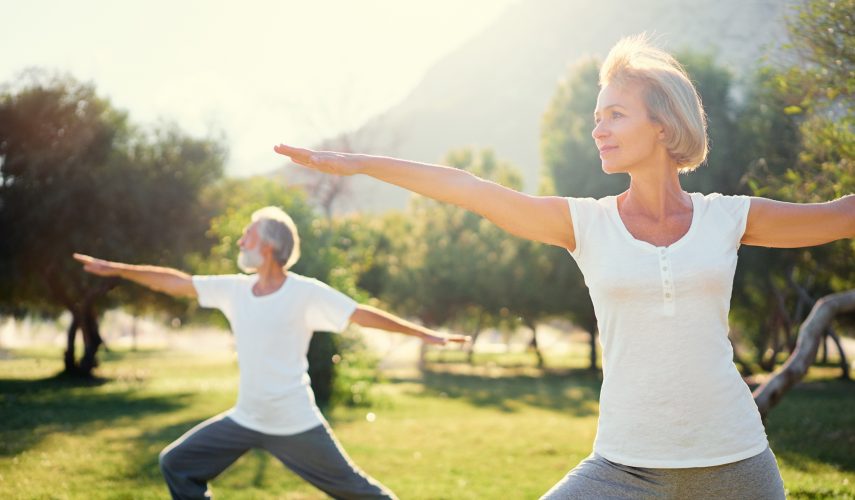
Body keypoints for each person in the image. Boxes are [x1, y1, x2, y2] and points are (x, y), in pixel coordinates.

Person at [273, 34, 854, 499]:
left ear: (663, 123)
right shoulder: (586, 224)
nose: (597, 128)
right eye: (596, 116)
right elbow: (467, 190)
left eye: (616, 114)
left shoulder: (727, 218)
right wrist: (358, 162)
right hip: (625, 468)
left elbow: (840, 215)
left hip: (736, 464)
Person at [74, 206, 467, 500]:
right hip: (246, 417)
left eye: (247, 235)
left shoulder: (304, 293)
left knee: (361, 493)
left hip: (294, 421)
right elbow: (176, 283)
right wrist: (118, 269)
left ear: (268, 246)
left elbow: (360, 315)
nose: (240, 241)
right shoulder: (235, 289)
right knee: (176, 464)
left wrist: (426, 335)